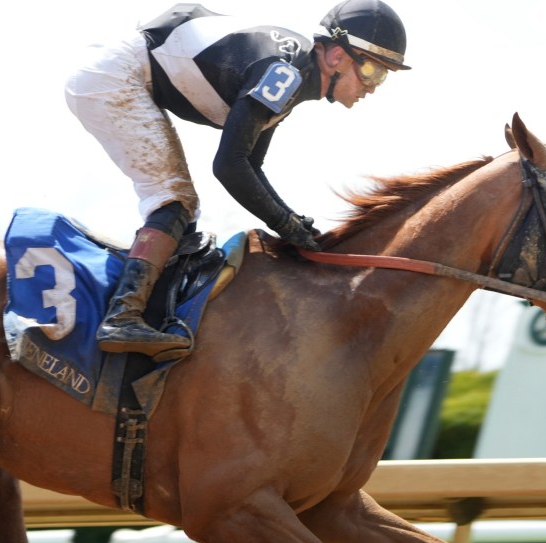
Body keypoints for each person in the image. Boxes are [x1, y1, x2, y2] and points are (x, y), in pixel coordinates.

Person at [65, 0, 410, 359]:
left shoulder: (294, 75)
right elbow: (229, 166)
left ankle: (148, 308)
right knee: (175, 200)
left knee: (182, 207)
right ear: (337, 56)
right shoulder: (285, 73)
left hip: (129, 71)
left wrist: (292, 221)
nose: (373, 86)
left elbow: (250, 166)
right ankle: (123, 315)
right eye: (372, 71)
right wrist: (285, 224)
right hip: (116, 76)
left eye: (383, 76)